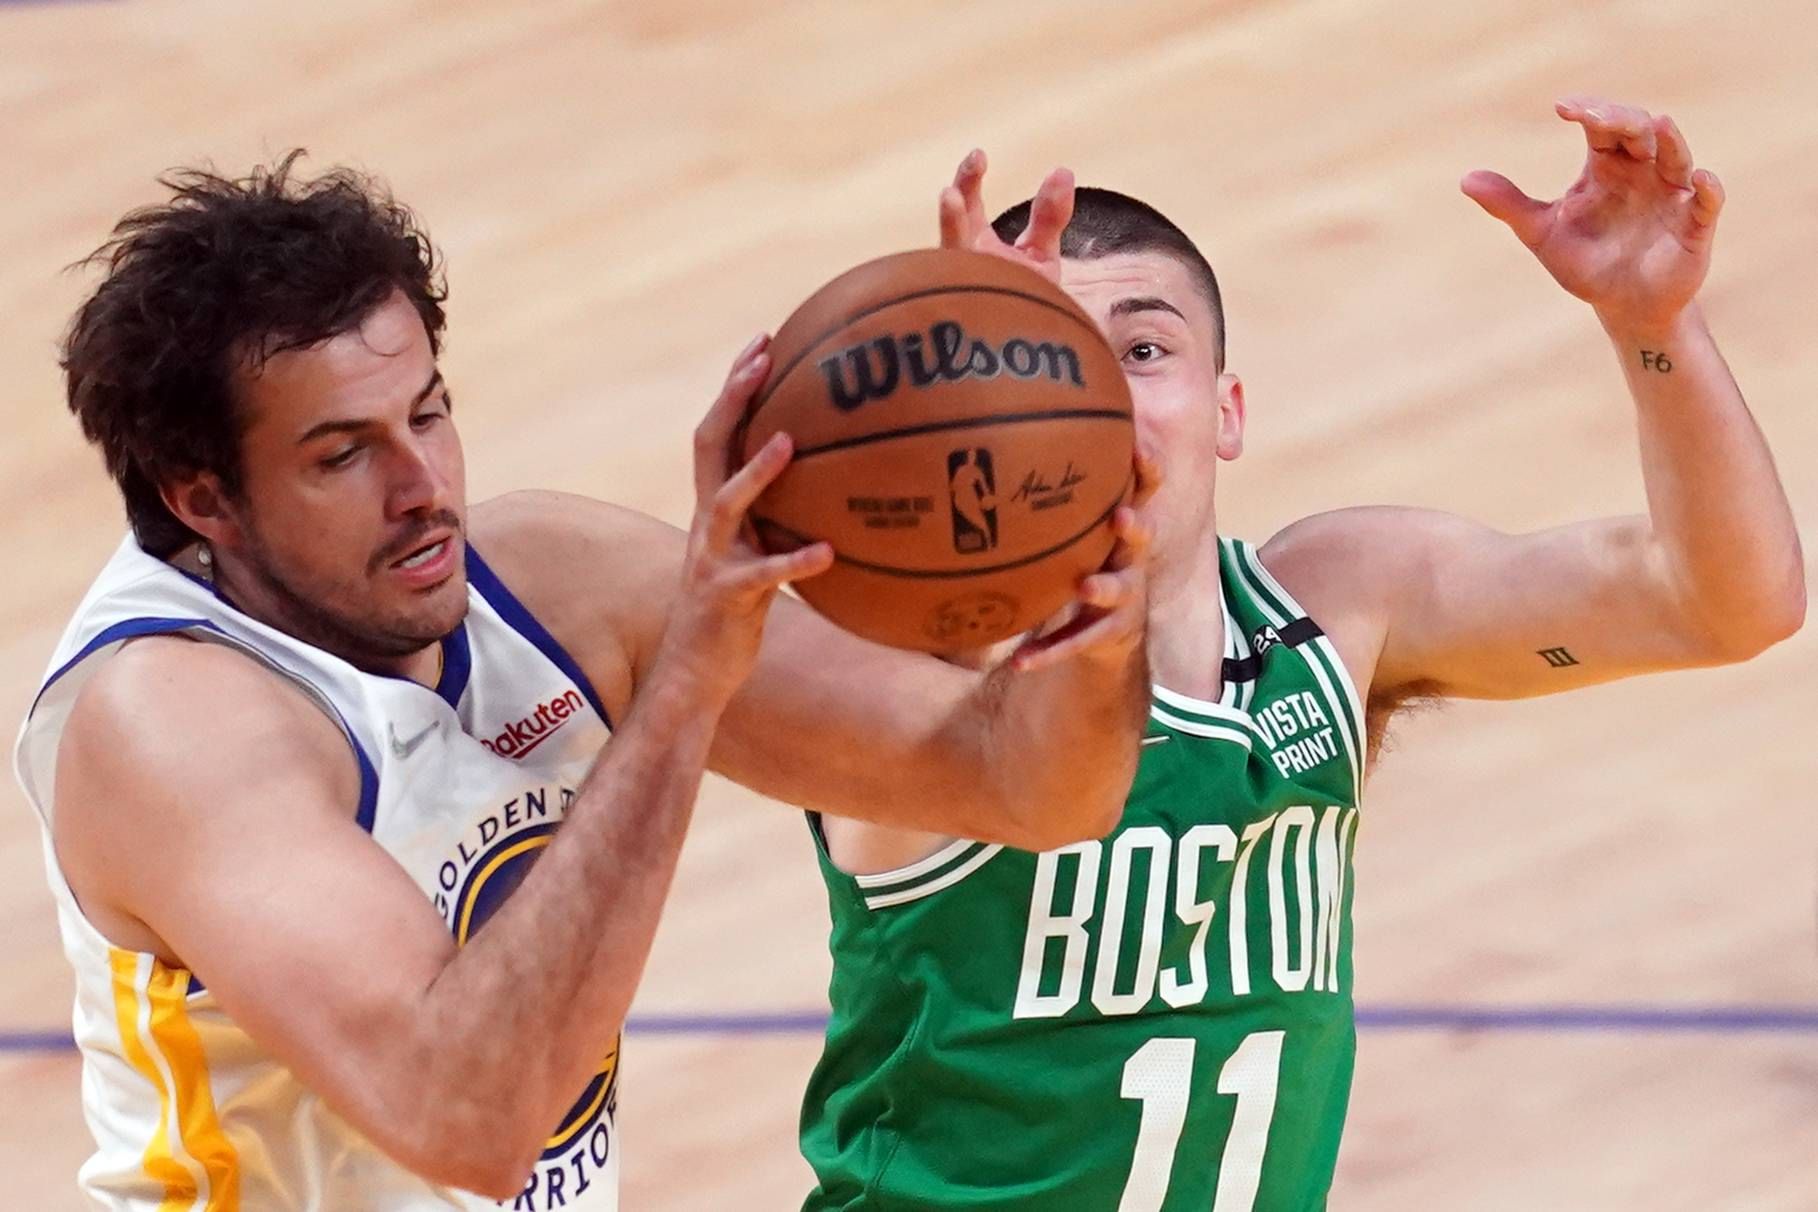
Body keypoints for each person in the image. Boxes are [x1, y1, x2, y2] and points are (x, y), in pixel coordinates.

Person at [12, 153, 1153, 1211]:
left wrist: (1067, 572)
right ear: (200, 497)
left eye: (429, 413)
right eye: (343, 454)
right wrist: (685, 693)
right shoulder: (169, 724)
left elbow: (1028, 787)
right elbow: (469, 1119)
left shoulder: (555, 577)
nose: (422, 487)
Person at [798, 97, 1805, 1210]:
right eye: (1042, 360)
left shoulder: (1333, 608)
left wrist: (1652, 324)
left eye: (1140, 350)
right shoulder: (921, 659)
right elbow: (957, 652)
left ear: (1227, 411)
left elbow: (1723, 604)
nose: (1087, 398)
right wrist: (969, 410)